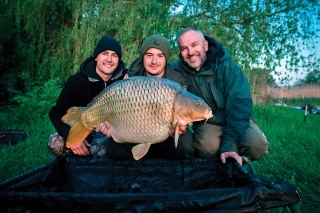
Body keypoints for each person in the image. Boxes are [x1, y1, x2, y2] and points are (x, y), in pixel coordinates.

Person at [174, 27, 269, 165]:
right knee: (205, 146)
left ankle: (235, 163)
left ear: (205, 45)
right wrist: (130, 72)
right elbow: (155, 65)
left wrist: (230, 143)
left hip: (234, 120)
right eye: (184, 48)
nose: (190, 52)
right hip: (208, 124)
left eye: (194, 45)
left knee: (257, 145)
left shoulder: (227, 66)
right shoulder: (178, 69)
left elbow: (240, 105)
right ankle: (218, 167)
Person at [103, 34, 195, 160]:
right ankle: (131, 178)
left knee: (184, 144)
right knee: (113, 145)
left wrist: (182, 126)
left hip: (166, 133)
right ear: (143, 57)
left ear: (166, 58)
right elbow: (117, 108)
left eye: (160, 56)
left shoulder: (177, 80)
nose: (154, 61)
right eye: (149, 55)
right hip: (135, 129)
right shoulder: (131, 77)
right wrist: (111, 124)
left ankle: (173, 176)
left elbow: (187, 111)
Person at [48, 36, 127, 157]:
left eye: (114, 55)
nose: (109, 59)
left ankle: (95, 170)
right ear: (96, 57)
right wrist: (72, 136)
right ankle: (73, 167)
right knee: (56, 143)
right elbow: (56, 113)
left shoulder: (126, 81)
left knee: (102, 150)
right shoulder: (76, 81)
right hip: (80, 126)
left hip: (107, 134)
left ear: (119, 60)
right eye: (104, 53)